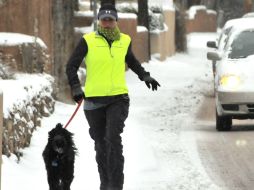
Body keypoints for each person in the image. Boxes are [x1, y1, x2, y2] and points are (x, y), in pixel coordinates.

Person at [66, 3, 160, 190]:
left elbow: (131, 61)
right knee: (101, 145)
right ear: (99, 21)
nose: (107, 23)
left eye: (111, 19)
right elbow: (71, 66)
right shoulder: (88, 40)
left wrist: (144, 75)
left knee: (112, 138)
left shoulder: (124, 40)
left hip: (118, 99)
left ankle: (116, 185)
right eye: (104, 19)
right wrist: (76, 87)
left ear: (116, 21)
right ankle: (105, 183)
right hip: (93, 102)